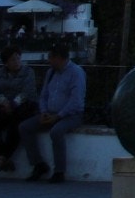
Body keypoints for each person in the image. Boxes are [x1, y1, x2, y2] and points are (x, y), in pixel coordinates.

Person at [19, 46, 85, 183]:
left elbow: (76, 101)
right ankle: (38, 164)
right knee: (25, 127)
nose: (49, 61)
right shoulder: (51, 73)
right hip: (49, 113)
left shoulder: (76, 73)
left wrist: (59, 116)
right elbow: (43, 95)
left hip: (70, 115)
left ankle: (59, 171)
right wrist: (43, 112)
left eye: (51, 58)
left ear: (60, 58)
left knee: (56, 132)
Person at [0, 46, 37, 172]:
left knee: (16, 127)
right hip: (4, 107)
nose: (17, 62)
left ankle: (2, 158)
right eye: (13, 60)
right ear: (6, 62)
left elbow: (27, 92)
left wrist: (13, 104)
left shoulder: (28, 72)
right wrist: (4, 103)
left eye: (18, 59)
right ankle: (3, 157)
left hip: (22, 108)